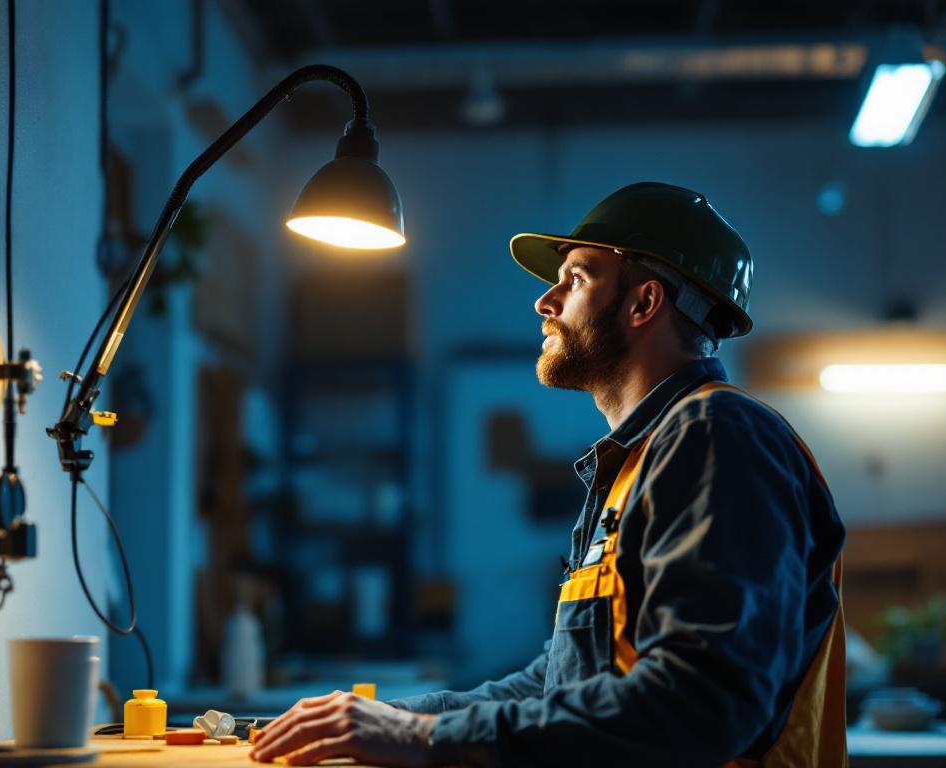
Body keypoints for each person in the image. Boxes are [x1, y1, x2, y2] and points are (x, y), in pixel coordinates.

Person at [250, 182, 848, 767]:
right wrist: (396, 718)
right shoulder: (637, 461)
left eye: (576, 279)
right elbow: (560, 683)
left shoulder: (717, 435)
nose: (545, 302)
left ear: (643, 303)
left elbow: (702, 703)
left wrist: (425, 738)